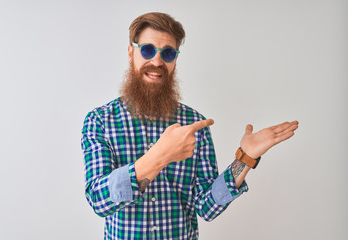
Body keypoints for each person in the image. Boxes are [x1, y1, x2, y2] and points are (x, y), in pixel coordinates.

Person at [81, 12, 299, 240]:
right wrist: (159, 156)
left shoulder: (194, 125)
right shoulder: (100, 121)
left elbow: (206, 207)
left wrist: (245, 158)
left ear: (175, 59)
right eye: (147, 50)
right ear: (130, 53)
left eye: (167, 53)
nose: (157, 61)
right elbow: (99, 200)